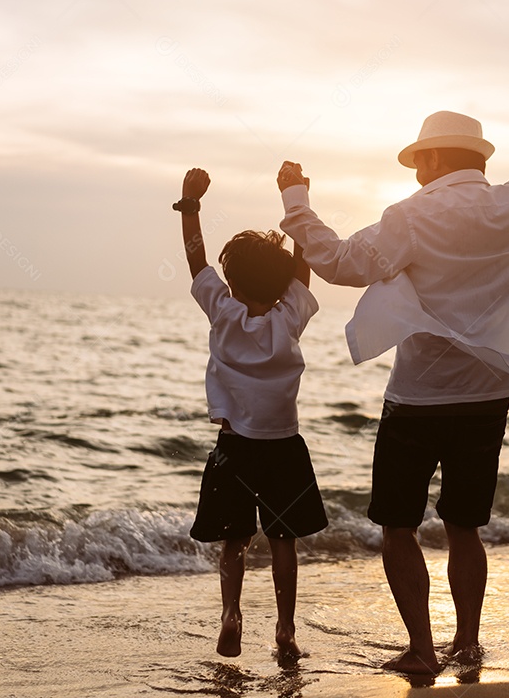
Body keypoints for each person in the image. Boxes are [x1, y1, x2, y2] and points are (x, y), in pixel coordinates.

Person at [276, 111, 509, 674]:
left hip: (418, 397)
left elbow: (337, 263)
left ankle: (424, 650)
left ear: (431, 159)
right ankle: (469, 641)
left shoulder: (410, 218)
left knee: (398, 525)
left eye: (419, 161)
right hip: (487, 397)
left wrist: (296, 200)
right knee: (464, 526)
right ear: (478, 158)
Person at [173, 168, 328, 660]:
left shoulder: (222, 310)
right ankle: (285, 628)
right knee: (284, 541)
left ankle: (231, 614)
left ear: (232, 281)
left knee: (232, 542)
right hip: (283, 447)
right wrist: (297, 198)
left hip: (233, 447)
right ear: (283, 284)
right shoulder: (291, 316)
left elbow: (196, 260)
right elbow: (302, 269)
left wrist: (190, 203)